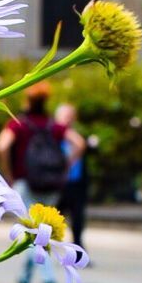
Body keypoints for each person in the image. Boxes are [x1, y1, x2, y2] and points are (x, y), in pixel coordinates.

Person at [0, 82, 84, 283]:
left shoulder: (17, 124)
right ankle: (25, 277)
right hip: (51, 185)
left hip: (26, 183)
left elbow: (1, 146)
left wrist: (8, 173)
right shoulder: (54, 126)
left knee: (34, 235)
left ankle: (48, 278)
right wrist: (66, 166)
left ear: (27, 100)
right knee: (38, 232)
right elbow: (79, 143)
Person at [55, 102, 88, 252]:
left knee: (78, 221)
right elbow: (81, 145)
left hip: (75, 184)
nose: (68, 120)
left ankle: (78, 251)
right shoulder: (53, 135)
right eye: (65, 116)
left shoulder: (74, 135)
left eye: (71, 116)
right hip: (56, 184)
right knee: (52, 219)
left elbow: (81, 145)